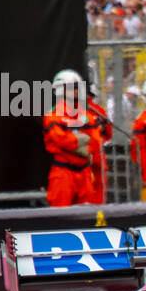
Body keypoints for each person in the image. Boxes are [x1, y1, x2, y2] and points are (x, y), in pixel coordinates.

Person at [42, 70, 95, 207]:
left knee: (88, 217)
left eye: (77, 87)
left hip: (85, 173)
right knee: (60, 217)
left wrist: (83, 145)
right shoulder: (53, 116)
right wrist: (80, 141)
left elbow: (94, 139)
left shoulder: (85, 115)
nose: (77, 91)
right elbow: (60, 140)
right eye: (73, 88)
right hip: (63, 174)